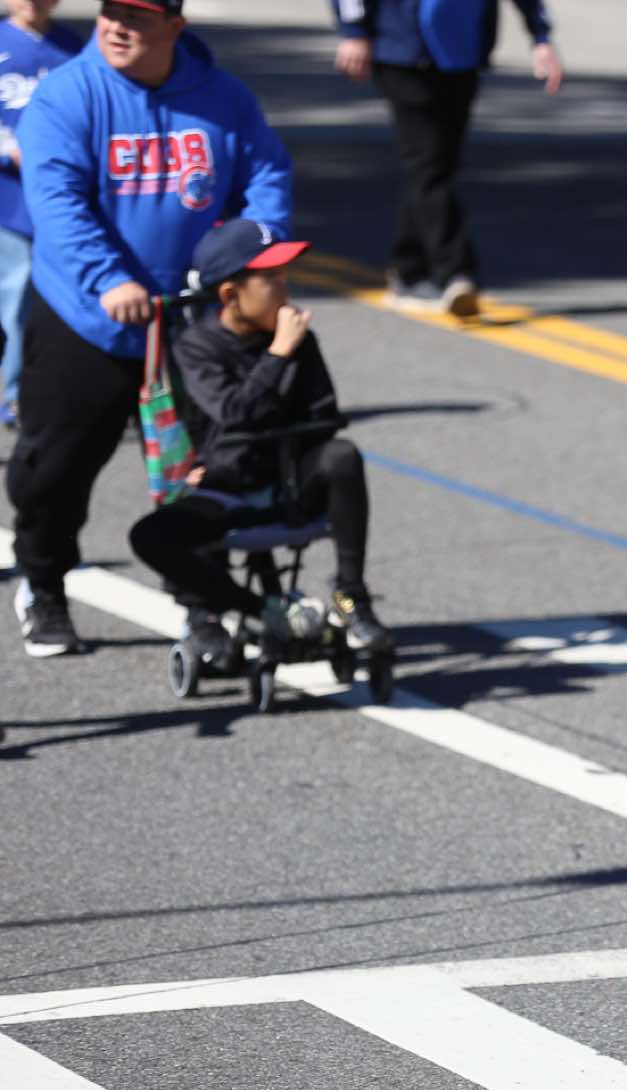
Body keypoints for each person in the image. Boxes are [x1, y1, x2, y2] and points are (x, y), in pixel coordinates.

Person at [7, 0, 291, 659]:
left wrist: (254, 251)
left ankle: (200, 604)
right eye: (110, 12)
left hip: (191, 321)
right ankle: (43, 583)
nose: (116, 27)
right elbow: (56, 200)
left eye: (136, 17)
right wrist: (108, 279)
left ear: (174, 27)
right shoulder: (68, 95)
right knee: (55, 469)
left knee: (202, 472)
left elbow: (267, 175)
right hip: (87, 316)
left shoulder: (222, 97)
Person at [127, 219, 389, 661]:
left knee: (342, 456)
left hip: (290, 482)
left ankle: (351, 595)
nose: (284, 288)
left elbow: (323, 417)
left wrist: (284, 356)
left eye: (284, 275)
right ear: (231, 294)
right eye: (270, 279)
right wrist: (277, 354)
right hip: (226, 485)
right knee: (150, 537)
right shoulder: (197, 348)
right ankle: (242, 609)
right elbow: (234, 413)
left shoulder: (300, 341)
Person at [332, 0, 562, 317]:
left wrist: (541, 37)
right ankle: (456, 272)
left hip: (461, 52)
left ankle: (408, 269)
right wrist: (355, 31)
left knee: (435, 167)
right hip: (403, 52)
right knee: (429, 166)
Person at [0, 0, 84, 428]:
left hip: (61, 198)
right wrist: (8, 148)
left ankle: (58, 386)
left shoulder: (73, 47)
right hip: (9, 198)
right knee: (15, 297)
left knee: (60, 297)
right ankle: (17, 393)